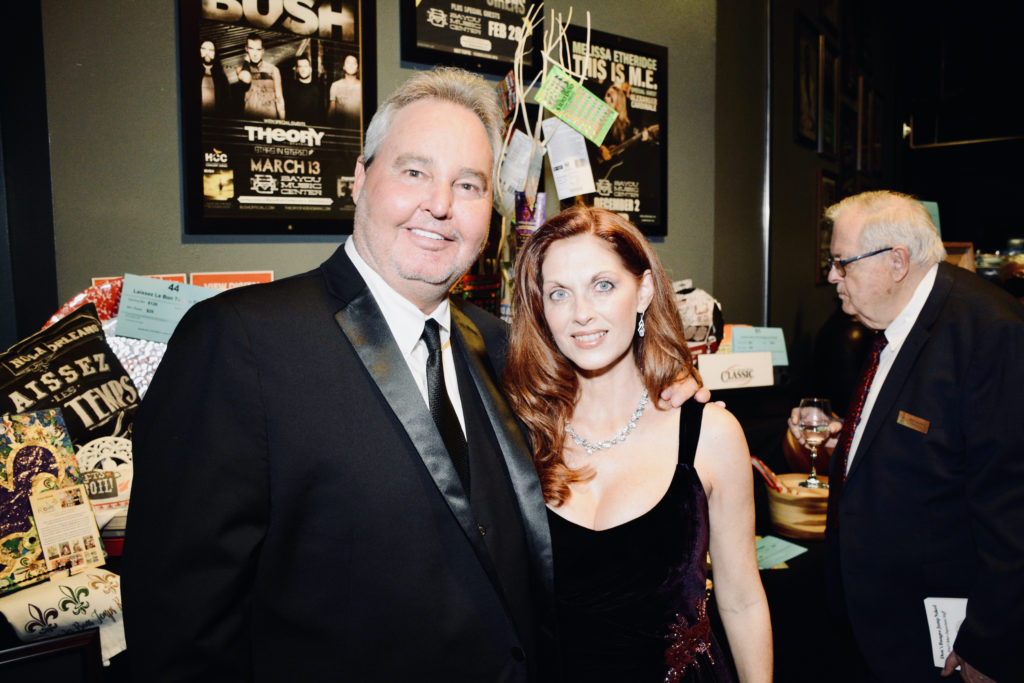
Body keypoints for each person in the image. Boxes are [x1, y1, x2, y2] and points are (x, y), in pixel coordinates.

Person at [123, 67, 703, 681]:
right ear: (359, 179)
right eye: (415, 171)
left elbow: (595, 417)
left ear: (491, 215)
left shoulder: (503, 347)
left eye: (470, 184)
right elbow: (180, 628)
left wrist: (664, 388)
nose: (441, 204)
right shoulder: (239, 342)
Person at [503, 206, 772, 682]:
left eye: (603, 285)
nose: (582, 313)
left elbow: (743, 599)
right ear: (541, 308)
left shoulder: (709, 435)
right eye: (559, 294)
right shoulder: (517, 432)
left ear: (644, 289)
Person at [788, 191, 1024, 682]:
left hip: (948, 643)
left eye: (841, 263)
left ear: (897, 261)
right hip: (882, 628)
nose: (832, 277)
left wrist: (988, 643)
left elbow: (1012, 508)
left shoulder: (991, 335)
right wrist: (846, 443)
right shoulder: (897, 322)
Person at [236, 33, 284, 120]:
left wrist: (283, 123)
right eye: (251, 49)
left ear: (263, 50)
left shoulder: (273, 70)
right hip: (250, 121)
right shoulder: (241, 70)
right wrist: (246, 60)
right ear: (246, 49)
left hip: (270, 121)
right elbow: (246, 78)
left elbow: (279, 98)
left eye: (258, 49)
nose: (255, 54)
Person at [283, 53, 325, 125]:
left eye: (305, 66)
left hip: (314, 130)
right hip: (296, 129)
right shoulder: (290, 87)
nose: (303, 69)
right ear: (297, 70)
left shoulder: (318, 88)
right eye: (300, 66)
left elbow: (322, 113)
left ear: (310, 69)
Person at [328, 53, 362, 128]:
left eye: (354, 63)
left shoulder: (362, 87)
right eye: (348, 62)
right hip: (341, 130)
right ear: (344, 66)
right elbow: (332, 111)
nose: (351, 65)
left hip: (358, 129)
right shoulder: (336, 85)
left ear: (357, 67)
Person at [200, 39, 229, 116]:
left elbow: (227, 104)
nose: (207, 53)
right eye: (204, 49)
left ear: (215, 53)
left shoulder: (222, 78)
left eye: (211, 50)